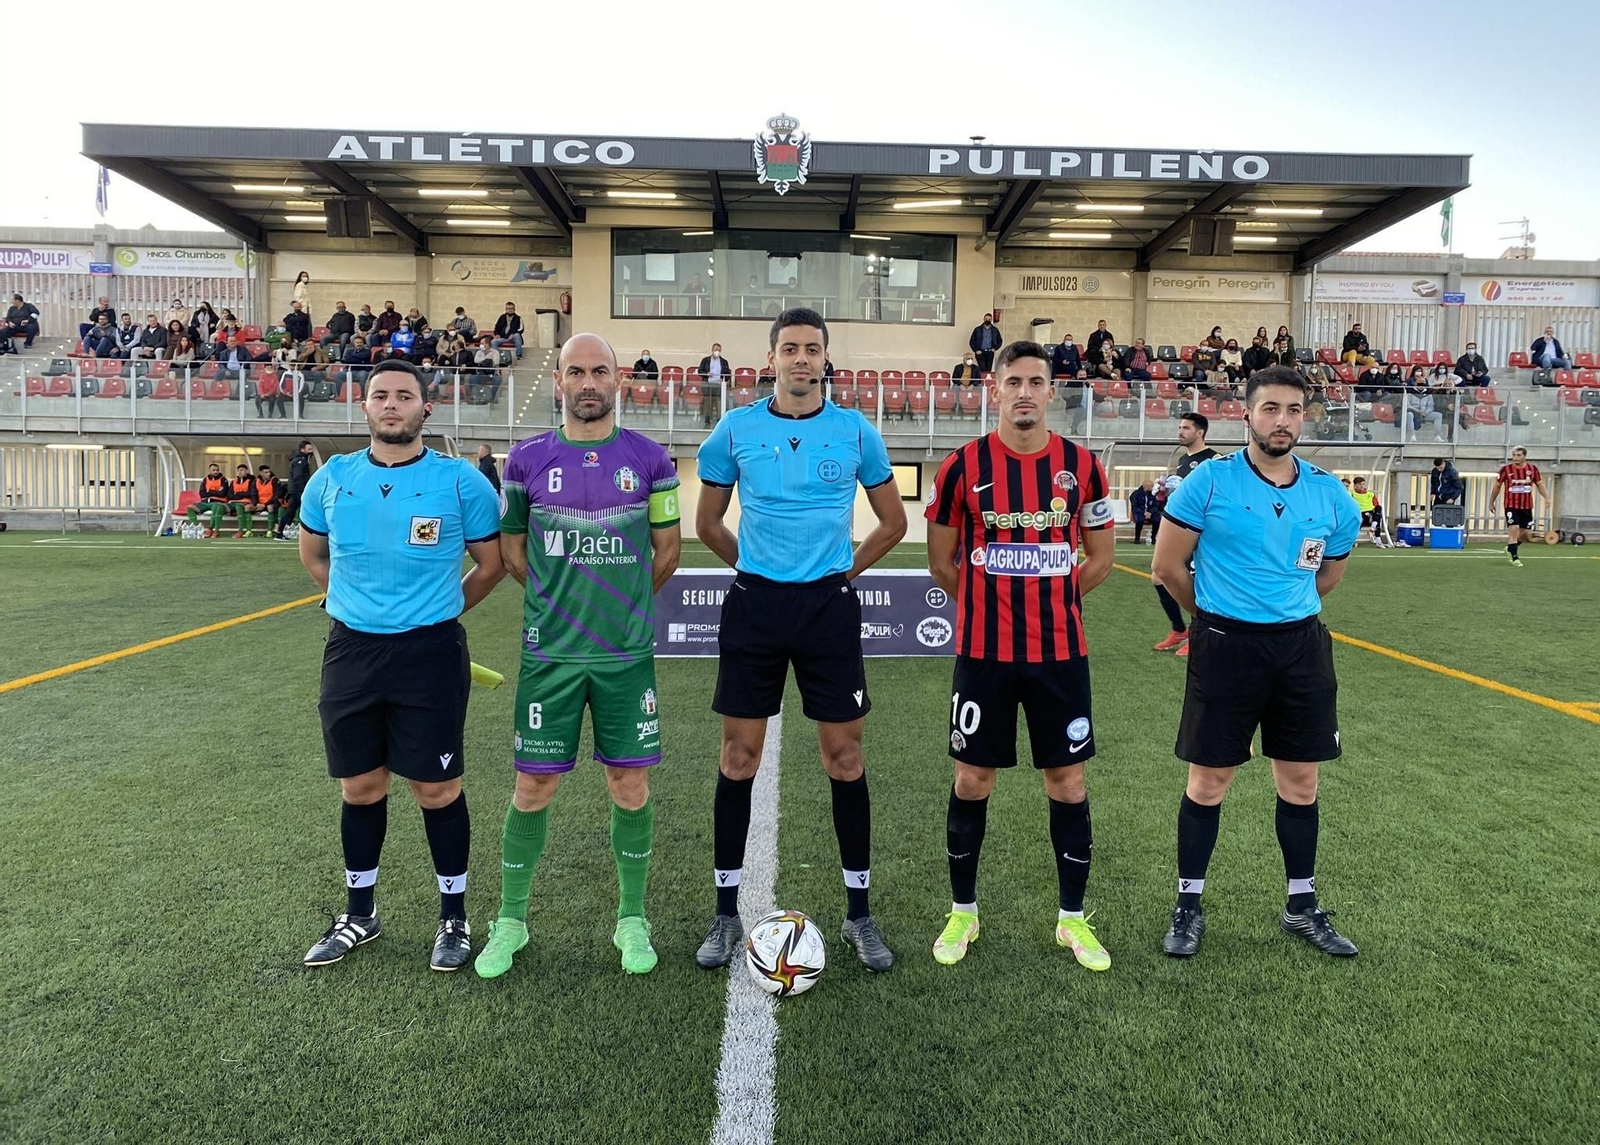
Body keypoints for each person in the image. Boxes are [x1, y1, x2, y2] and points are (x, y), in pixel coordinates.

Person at [693, 307, 907, 974]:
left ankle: (859, 914)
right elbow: (707, 523)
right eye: (790, 349)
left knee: (844, 756)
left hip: (828, 609)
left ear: (825, 358)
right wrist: (757, 570)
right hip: (756, 605)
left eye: (812, 349)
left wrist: (842, 571)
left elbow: (894, 522)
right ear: (772, 357)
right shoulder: (735, 429)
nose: (801, 359)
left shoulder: (854, 431)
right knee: (738, 755)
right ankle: (725, 915)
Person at [473, 333, 682, 980]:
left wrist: (620, 609)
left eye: (599, 370)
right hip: (551, 656)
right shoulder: (524, 460)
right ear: (557, 382)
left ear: (619, 380)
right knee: (533, 786)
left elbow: (667, 551)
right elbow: (510, 554)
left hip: (624, 656)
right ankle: (510, 918)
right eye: (575, 371)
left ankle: (631, 917)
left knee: (630, 782)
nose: (588, 381)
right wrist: (559, 606)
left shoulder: (651, 459)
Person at [297, 358, 505, 971]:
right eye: (381, 395)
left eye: (405, 396)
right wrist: (353, 603)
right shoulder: (331, 479)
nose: (392, 404)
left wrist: (438, 611)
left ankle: (454, 919)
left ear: (425, 409)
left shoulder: (461, 481)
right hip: (352, 651)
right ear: (364, 407)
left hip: (430, 653)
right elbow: (314, 554)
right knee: (360, 786)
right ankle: (359, 914)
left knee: (436, 789)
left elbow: (491, 565)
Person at [1151, 365, 1360, 960]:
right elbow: (1167, 568)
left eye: (1293, 410)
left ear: (1304, 417)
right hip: (1225, 647)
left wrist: (1281, 612)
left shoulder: (1329, 493)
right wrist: (1213, 617)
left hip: (1300, 650)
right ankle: (1188, 906)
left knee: (1301, 782)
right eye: (1270, 409)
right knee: (1210, 780)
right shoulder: (1208, 483)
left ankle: (1301, 905)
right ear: (1246, 414)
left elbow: (1330, 575)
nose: (1282, 421)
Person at [923, 340, 1116, 971]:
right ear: (994, 387)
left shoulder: (1084, 467)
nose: (1026, 392)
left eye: (1038, 381)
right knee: (972, 779)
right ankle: (963, 913)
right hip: (984, 654)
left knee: (1067, 781)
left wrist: (1053, 598)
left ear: (1052, 391)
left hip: (1060, 654)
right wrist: (988, 604)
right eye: (1015, 382)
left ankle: (1072, 921)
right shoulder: (961, 466)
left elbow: (1101, 558)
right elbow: (942, 563)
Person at [1151, 412, 1219, 655]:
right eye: (1180, 427)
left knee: (1195, 581)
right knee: (1159, 576)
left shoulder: (1214, 460)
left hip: (1202, 533)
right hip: (1180, 530)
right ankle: (1179, 629)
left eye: (1186, 428)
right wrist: (1163, 493)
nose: (1180, 431)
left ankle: (1199, 633)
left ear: (1200, 432)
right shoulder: (1182, 460)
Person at [1489, 447, 1549, 566]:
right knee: (1514, 528)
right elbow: (1497, 486)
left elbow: (1540, 484)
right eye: (1514, 455)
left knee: (1526, 532)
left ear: (1524, 456)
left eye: (1518, 455)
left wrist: (1547, 498)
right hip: (1511, 505)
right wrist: (1491, 502)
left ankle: (1511, 547)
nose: (1515, 458)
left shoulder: (1532, 469)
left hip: (1526, 506)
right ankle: (1515, 557)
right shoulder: (1506, 469)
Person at [276, 440, 316, 540]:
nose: (311, 452)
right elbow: (298, 477)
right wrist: (303, 490)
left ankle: (284, 530)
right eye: (309, 449)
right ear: (303, 450)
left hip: (296, 490)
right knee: (292, 511)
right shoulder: (301, 461)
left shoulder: (301, 460)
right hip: (297, 490)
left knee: (292, 511)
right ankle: (281, 531)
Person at [186, 463, 233, 537]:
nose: (216, 472)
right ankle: (196, 528)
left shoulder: (223, 480)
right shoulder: (205, 480)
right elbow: (202, 493)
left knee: (216, 507)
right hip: (204, 502)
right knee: (190, 507)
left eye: (217, 470)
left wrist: (209, 491)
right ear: (209, 471)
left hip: (217, 502)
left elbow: (222, 494)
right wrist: (216, 491)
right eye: (213, 470)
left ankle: (211, 529)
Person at [241, 465, 285, 533]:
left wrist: (265, 504)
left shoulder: (274, 481)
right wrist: (256, 503)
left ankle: (269, 531)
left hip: (270, 503)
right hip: (259, 504)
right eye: (266, 472)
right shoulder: (256, 481)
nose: (268, 474)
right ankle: (248, 531)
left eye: (269, 472)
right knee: (247, 507)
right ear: (261, 473)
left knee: (270, 507)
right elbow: (253, 494)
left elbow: (276, 496)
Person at [1350, 477, 1390, 547]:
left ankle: (1374, 525)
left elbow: (1376, 504)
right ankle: (1378, 540)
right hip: (1359, 514)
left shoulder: (1370, 494)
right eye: (1359, 484)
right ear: (1355, 485)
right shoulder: (1352, 494)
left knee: (1378, 508)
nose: (1362, 486)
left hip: (1371, 513)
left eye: (1363, 484)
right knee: (1373, 518)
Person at [1406, 368, 1444, 440]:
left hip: (1425, 413)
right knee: (1409, 414)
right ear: (1416, 383)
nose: (1421, 385)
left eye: (1423, 383)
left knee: (1438, 415)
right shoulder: (1410, 393)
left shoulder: (1428, 394)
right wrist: (1417, 411)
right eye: (1419, 383)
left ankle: (1437, 436)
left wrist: (1426, 412)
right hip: (1414, 413)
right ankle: (1412, 435)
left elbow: (1431, 406)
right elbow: (1408, 405)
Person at [698, 342, 730, 427]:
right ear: (712, 350)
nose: (717, 352)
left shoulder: (724, 362)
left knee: (719, 404)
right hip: (708, 385)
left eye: (719, 350)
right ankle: (707, 421)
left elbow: (728, 374)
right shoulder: (706, 360)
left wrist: (723, 379)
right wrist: (706, 374)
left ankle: (719, 421)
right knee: (708, 404)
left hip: (719, 386)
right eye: (716, 350)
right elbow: (700, 371)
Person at [226, 464, 257, 537]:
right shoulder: (234, 482)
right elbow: (229, 495)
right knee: (220, 506)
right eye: (238, 470)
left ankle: (241, 530)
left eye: (242, 470)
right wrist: (241, 495)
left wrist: (236, 494)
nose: (239, 472)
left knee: (239, 507)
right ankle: (213, 530)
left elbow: (249, 493)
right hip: (233, 502)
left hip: (246, 502)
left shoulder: (251, 481)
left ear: (246, 471)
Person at [1131, 479, 1158, 544]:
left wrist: (1150, 512)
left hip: (1150, 513)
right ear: (1147, 487)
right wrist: (1143, 512)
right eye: (1151, 487)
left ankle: (1153, 537)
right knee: (1139, 520)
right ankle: (1137, 538)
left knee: (1157, 520)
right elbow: (1134, 507)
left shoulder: (1153, 495)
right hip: (1140, 512)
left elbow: (1156, 506)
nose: (1152, 488)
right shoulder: (1135, 494)